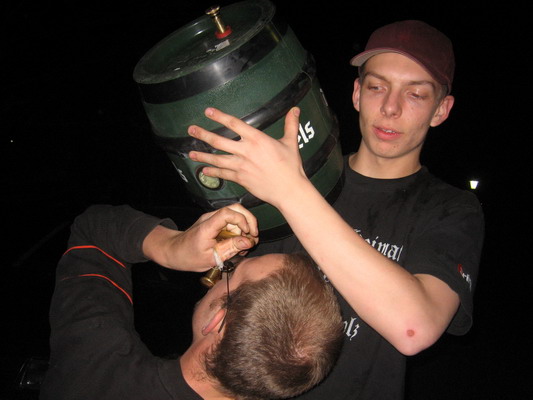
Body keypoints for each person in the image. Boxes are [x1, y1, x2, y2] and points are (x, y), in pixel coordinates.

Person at [186, 20, 485, 399]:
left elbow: (415, 329)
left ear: (441, 110)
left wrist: (290, 190)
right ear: (357, 93)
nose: (390, 108)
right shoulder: (295, 176)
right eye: (377, 87)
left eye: (415, 94)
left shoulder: (450, 209)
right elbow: (213, 303)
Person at [39, 204, 343, 400]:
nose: (229, 265)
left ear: (217, 320)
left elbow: (93, 232)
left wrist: (171, 247)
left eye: (232, 271)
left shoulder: (95, 372)